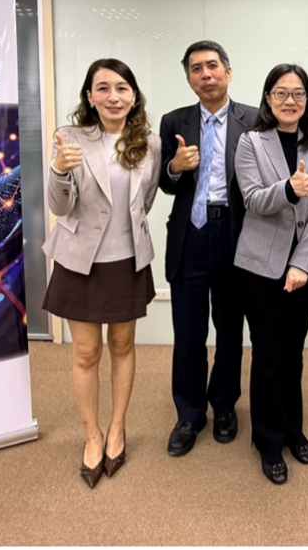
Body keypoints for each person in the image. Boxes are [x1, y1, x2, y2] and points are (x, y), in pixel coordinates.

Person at [42, 58, 161, 488]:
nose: (114, 96)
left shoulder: (149, 142)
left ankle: (117, 428)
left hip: (127, 259)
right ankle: (91, 435)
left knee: (123, 345)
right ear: (90, 97)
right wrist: (59, 169)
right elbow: (59, 206)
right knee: (86, 352)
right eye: (104, 88)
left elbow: (145, 201)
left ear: (134, 96)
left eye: (122, 88)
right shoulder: (70, 138)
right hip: (81, 261)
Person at [233, 64, 308, 485]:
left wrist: (301, 264)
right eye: (281, 93)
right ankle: (268, 440)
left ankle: (294, 429)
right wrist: (290, 189)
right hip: (260, 267)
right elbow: (254, 200)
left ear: (307, 100)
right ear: (268, 99)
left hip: (307, 268)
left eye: (298, 93)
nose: (290, 100)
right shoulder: (251, 142)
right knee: (268, 355)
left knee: (294, 353)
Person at [157, 41, 257, 458]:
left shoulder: (255, 119)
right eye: (196, 69)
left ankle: (225, 405)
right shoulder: (173, 121)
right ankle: (189, 413)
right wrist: (174, 168)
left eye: (212, 66)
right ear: (189, 79)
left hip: (235, 234)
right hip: (191, 237)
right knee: (188, 329)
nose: (206, 74)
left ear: (228, 73)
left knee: (230, 328)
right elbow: (164, 183)